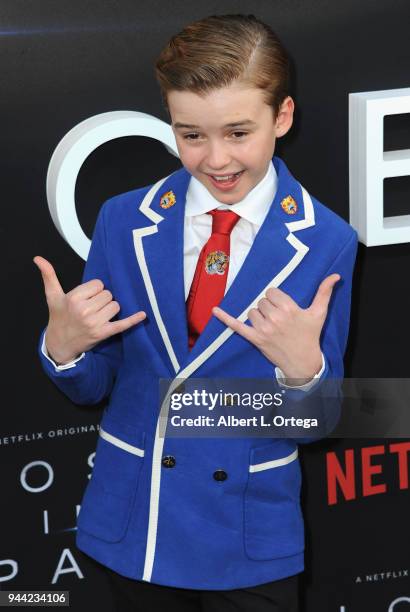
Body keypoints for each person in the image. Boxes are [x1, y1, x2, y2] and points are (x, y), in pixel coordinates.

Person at [34, 14, 358, 612]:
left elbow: (316, 423)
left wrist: (301, 374)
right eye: (191, 135)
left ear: (282, 117)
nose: (216, 159)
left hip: (246, 535)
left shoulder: (326, 241)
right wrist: (66, 348)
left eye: (238, 132)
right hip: (134, 522)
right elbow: (95, 386)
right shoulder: (123, 219)